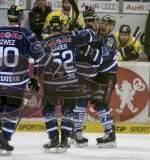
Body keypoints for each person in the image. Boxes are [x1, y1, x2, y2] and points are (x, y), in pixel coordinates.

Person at [0, 5, 44, 156]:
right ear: (20, 18)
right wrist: (35, 78)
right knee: (12, 111)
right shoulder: (27, 34)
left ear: (8, 17)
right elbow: (40, 56)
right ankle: (4, 141)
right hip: (16, 83)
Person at [40, 15, 96, 153]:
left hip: (53, 83)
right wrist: (87, 25)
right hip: (71, 81)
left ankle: (54, 140)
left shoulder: (44, 43)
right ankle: (64, 140)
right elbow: (90, 35)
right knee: (68, 111)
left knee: (48, 110)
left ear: (49, 28)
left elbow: (39, 64)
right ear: (61, 26)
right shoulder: (70, 37)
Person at [73, 14, 118, 148]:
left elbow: (103, 56)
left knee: (100, 104)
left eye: (107, 24)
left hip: (107, 76)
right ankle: (76, 131)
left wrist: (88, 50)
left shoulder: (110, 39)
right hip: (94, 75)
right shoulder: (96, 36)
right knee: (81, 100)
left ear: (111, 28)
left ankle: (110, 135)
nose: (103, 26)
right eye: (102, 23)